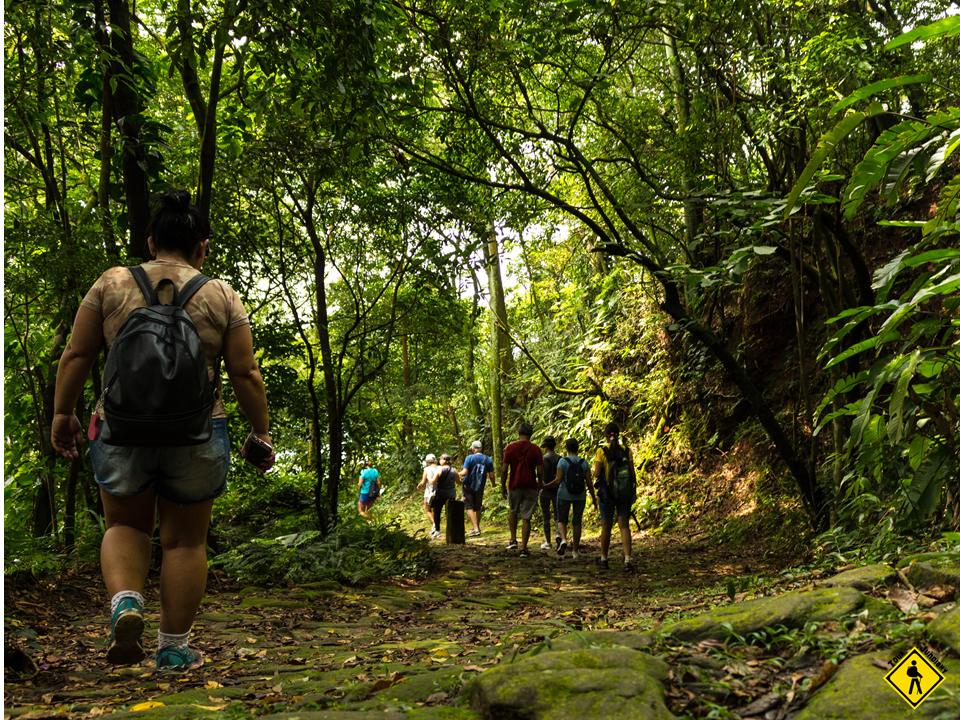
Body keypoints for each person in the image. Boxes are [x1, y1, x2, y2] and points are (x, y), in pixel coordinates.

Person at [51, 189, 274, 674]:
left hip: (120, 429)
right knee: (185, 542)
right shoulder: (221, 294)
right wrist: (262, 431)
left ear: (151, 241)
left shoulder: (111, 283)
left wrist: (62, 413)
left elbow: (78, 354)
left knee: (125, 525)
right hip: (198, 432)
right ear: (202, 247)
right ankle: (173, 648)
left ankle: (126, 602)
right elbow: (245, 373)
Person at [592, 422, 637, 572]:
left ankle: (604, 559)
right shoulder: (627, 450)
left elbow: (597, 474)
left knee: (606, 527)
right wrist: (633, 492)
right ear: (618, 434)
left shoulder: (602, 451)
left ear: (606, 435)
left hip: (608, 494)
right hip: (624, 493)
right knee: (624, 526)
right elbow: (631, 472)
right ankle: (627, 561)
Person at [541, 438, 592, 560]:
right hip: (580, 495)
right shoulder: (584, 463)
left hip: (564, 494)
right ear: (577, 448)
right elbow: (589, 483)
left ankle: (563, 539)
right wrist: (594, 498)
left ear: (567, 448)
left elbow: (558, 480)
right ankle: (575, 551)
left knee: (561, 519)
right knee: (577, 522)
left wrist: (545, 486)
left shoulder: (563, 462)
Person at [500, 422, 544, 558]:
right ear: (531, 434)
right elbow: (540, 470)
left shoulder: (510, 448)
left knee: (513, 511)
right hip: (530, 486)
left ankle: (513, 540)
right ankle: (524, 549)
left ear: (519, 433)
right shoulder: (536, 450)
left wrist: (502, 486)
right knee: (526, 517)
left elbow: (504, 469)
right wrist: (540, 483)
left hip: (514, 485)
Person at [458, 440, 494, 537]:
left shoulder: (469, 458)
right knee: (477, 506)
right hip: (480, 485)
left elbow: (464, 472)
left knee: (469, 505)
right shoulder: (488, 459)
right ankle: (477, 527)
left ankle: (476, 529)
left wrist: (456, 474)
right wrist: (494, 484)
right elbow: (491, 475)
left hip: (468, 485)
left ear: (473, 449)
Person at [538, 436, 561, 551]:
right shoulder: (560, 459)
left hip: (544, 491)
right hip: (557, 491)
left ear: (545, 446)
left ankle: (548, 542)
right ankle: (558, 536)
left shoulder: (542, 460)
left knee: (546, 517)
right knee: (558, 516)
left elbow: (539, 475)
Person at [430, 454, 460, 539]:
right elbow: (458, 482)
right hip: (451, 494)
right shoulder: (454, 470)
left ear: (442, 460)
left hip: (440, 494)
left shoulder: (439, 470)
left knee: (437, 512)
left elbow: (433, 482)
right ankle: (452, 531)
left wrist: (429, 478)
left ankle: (437, 531)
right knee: (450, 513)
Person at [416, 454, 441, 532]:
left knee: (427, 510)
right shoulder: (440, 468)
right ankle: (435, 525)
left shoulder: (426, 469)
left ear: (427, 461)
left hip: (429, 493)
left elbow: (423, 482)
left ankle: (434, 524)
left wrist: (419, 485)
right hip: (438, 492)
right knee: (435, 510)